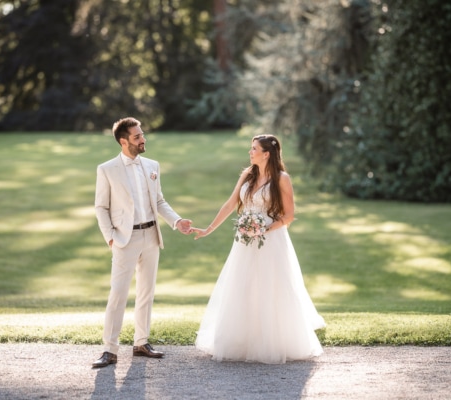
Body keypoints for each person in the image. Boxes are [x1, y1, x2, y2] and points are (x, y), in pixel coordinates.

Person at [191, 134, 325, 364]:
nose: (250, 152)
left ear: (267, 154)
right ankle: (241, 340)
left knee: (270, 287)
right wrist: (208, 229)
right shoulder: (247, 175)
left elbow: (289, 215)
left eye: (254, 149)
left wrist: (263, 229)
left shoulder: (282, 178)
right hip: (243, 242)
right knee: (242, 285)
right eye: (250, 148)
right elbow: (230, 203)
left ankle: (273, 342)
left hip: (271, 241)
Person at [92, 117, 192, 368]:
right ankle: (110, 349)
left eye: (142, 134)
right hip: (124, 239)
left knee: (146, 292)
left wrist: (177, 221)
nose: (143, 139)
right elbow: (101, 207)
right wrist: (111, 237)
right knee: (118, 294)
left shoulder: (151, 165)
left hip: (151, 236)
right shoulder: (106, 169)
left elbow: (158, 201)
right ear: (123, 141)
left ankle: (141, 342)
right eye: (137, 137)